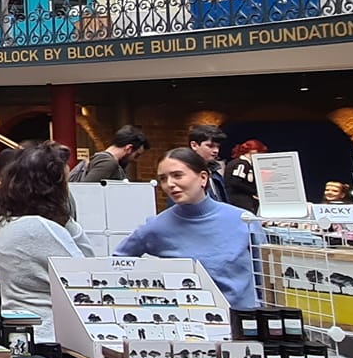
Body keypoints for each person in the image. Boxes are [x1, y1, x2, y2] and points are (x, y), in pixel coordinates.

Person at [114, 148, 260, 310]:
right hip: (188, 324)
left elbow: (266, 277)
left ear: (203, 178)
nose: (169, 184)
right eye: (163, 178)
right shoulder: (156, 226)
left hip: (244, 323)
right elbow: (117, 261)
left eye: (177, 175)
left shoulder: (244, 221)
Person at [0, 141, 92, 337]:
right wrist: (67, 220)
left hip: (19, 328)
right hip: (52, 333)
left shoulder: (6, 223)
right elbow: (86, 275)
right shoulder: (41, 228)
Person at [70, 125, 149, 183]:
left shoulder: (103, 160)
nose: (134, 159)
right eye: (136, 155)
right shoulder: (107, 163)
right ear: (129, 148)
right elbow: (87, 191)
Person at [188, 123, 229, 202]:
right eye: (210, 146)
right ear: (194, 145)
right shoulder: (185, 174)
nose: (216, 151)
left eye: (218, 146)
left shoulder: (214, 173)